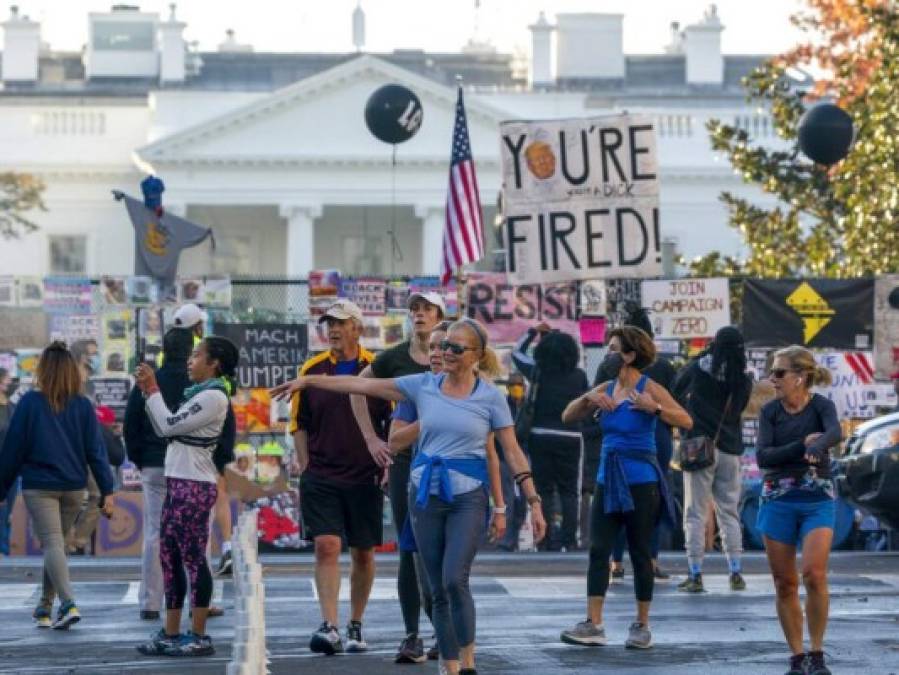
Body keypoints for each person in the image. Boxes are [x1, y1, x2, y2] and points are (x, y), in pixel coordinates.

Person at [272, 318, 547, 675]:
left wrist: (531, 501)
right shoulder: (423, 385)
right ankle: (450, 667)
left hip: (467, 496)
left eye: (455, 348)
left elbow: (510, 452)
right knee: (435, 588)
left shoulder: (490, 397)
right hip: (424, 496)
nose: (445, 352)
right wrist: (309, 380)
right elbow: (359, 384)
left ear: (476, 355)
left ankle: (468, 661)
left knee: (453, 579)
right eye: (444, 345)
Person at [559, 327, 692, 650]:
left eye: (613, 348)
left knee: (640, 552)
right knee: (598, 550)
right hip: (608, 477)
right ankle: (594, 623)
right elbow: (567, 416)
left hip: (641, 479)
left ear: (630, 355)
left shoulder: (650, 388)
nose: (607, 353)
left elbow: (686, 420)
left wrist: (655, 409)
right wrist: (588, 398)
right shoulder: (605, 387)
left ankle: (641, 625)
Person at [289, 299, 391, 656]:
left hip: (365, 475)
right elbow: (298, 424)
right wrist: (305, 464)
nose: (333, 329)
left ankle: (355, 623)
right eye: (329, 322)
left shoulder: (377, 369)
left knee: (363, 553)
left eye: (341, 322)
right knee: (326, 545)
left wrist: (387, 464)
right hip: (322, 474)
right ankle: (329, 624)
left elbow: (392, 422)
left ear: (357, 329)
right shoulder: (312, 369)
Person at [349, 291, 444, 664]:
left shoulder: (453, 353)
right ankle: (412, 635)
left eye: (427, 310)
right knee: (409, 548)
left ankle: (443, 628)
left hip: (446, 462)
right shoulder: (396, 357)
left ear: (440, 316)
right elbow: (359, 387)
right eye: (415, 310)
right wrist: (372, 439)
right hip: (406, 459)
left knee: (440, 551)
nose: (419, 315)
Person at [134, 336, 239, 658]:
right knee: (170, 557)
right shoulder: (199, 394)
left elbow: (166, 426)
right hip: (179, 481)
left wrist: (152, 389)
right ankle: (171, 631)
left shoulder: (213, 397)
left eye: (197, 356)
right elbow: (167, 425)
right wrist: (148, 393)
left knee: (193, 559)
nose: (189, 361)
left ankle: (198, 634)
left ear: (214, 364)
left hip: (193, 485)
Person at [0, 342, 115, 629]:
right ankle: (45, 606)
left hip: (40, 485)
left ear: (43, 370)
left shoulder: (29, 403)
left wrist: (1, 488)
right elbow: (96, 452)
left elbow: (13, 449)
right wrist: (107, 490)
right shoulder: (83, 406)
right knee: (58, 546)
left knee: (52, 543)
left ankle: (68, 603)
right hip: (75, 487)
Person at [756, 346, 841, 675]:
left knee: (814, 574)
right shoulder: (770, 412)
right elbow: (764, 457)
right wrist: (801, 445)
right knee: (785, 583)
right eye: (772, 373)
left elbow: (835, 432)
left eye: (779, 373)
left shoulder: (822, 406)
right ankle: (797, 656)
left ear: (800, 377)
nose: (772, 379)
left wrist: (818, 446)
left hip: (816, 496)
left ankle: (817, 653)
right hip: (778, 497)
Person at [596, 308, 678, 580]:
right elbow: (677, 405)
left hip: (622, 433)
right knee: (650, 501)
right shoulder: (665, 366)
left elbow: (598, 396)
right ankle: (651, 559)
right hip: (659, 435)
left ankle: (616, 561)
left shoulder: (610, 366)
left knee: (617, 497)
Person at [671, 326, 754, 593]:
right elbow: (738, 410)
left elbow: (674, 391)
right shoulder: (743, 379)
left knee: (694, 512)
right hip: (729, 449)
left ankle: (695, 573)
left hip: (699, 447)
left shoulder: (697, 369)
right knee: (729, 511)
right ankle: (735, 571)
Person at [124, 327, 195, 621]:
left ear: (163, 350)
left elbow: (131, 425)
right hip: (189, 465)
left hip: (154, 464)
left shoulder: (149, 382)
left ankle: (150, 602)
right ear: (191, 351)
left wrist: (140, 459)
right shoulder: (197, 383)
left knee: (154, 533)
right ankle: (197, 600)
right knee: (191, 532)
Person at [512, 324, 589, 551]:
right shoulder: (579, 376)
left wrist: (532, 331)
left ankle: (545, 539)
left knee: (543, 490)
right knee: (569, 492)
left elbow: (516, 353)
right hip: (571, 437)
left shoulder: (537, 371)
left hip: (540, 436)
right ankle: (569, 540)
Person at [172, 303, 235, 579]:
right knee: (215, 493)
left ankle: (221, 553)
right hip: (213, 432)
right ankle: (226, 548)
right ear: (197, 326)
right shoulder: (206, 355)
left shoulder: (179, 352)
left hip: (193, 439)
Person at [0, 368, 18, 556]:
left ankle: (4, 548)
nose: (10, 383)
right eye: (7, 380)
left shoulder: (12, 406)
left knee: (8, 510)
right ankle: (2, 548)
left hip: (11, 465)